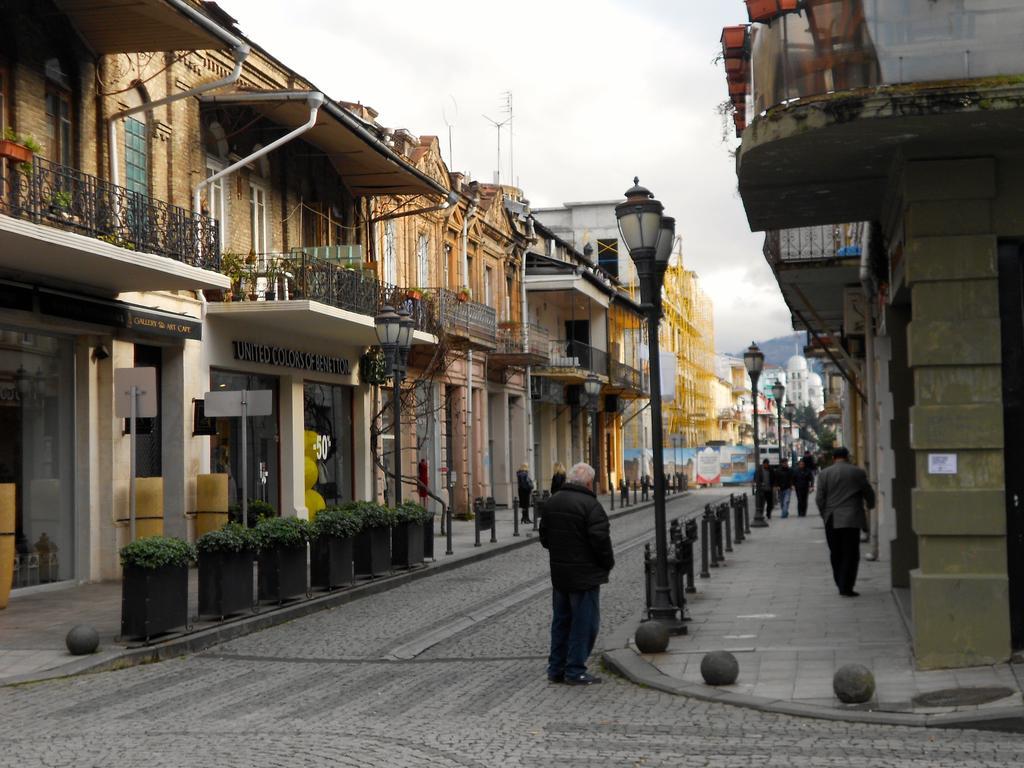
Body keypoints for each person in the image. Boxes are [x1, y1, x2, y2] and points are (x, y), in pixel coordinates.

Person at [539, 462, 614, 685]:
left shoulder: (553, 502)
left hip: (560, 574)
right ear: (589, 483)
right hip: (585, 575)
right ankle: (575, 670)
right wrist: (606, 564)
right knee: (584, 623)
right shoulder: (590, 505)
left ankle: (556, 669)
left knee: (561, 622)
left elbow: (544, 538)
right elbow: (601, 541)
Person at [815, 446, 875, 597]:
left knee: (836, 552)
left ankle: (839, 581)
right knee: (851, 553)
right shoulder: (857, 472)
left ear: (834, 458)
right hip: (852, 518)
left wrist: (824, 514)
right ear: (847, 457)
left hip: (832, 518)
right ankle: (846, 585)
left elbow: (819, 498)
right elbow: (868, 492)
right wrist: (870, 504)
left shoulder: (824, 474)